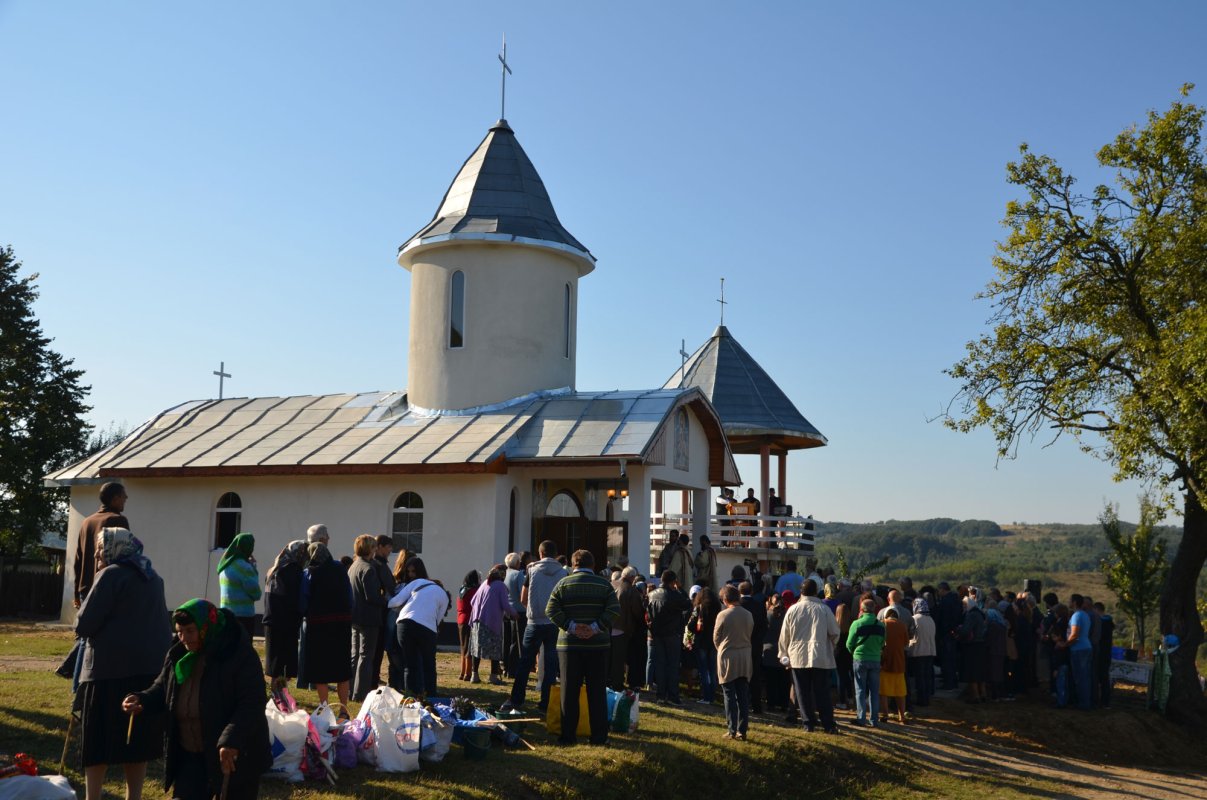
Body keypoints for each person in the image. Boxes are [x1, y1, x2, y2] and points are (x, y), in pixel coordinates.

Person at [124, 599, 270, 800]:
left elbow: (252, 703)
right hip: (190, 753)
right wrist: (143, 700)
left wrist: (231, 739)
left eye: (190, 631)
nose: (184, 638)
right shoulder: (178, 653)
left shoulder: (237, 652)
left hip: (234, 755)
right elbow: (163, 687)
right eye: (180, 631)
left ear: (205, 627)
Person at [75, 528, 171, 800]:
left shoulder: (110, 574)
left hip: (107, 671)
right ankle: (134, 797)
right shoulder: (153, 576)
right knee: (136, 742)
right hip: (147, 674)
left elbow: (84, 624)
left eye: (100, 547)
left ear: (113, 549)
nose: (96, 553)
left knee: (96, 742)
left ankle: (92, 796)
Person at [545, 549, 620, 746]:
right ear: (593, 565)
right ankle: (598, 737)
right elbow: (614, 609)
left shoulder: (563, 584)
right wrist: (595, 627)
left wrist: (571, 626)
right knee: (596, 691)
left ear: (572, 565)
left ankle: (567, 736)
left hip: (569, 645)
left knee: (569, 691)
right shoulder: (604, 585)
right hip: (598, 645)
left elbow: (550, 609)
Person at [501, 541, 567, 714]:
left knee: (525, 662)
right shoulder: (562, 572)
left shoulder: (531, 570)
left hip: (534, 622)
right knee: (551, 664)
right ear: (555, 553)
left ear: (540, 553)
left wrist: (532, 608)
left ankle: (516, 699)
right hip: (553, 623)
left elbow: (523, 598)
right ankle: (546, 703)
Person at [779, 578, 840, 734]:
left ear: (801, 591)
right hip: (820, 656)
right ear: (816, 592)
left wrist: (783, 655)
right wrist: (830, 646)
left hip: (797, 656)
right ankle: (828, 725)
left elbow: (784, 635)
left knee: (802, 691)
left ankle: (808, 723)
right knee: (822, 692)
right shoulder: (823, 609)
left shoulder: (793, 610)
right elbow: (835, 633)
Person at [301, 539, 353, 709]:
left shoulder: (310, 572)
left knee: (320, 668)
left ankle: (324, 707)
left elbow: (304, 599)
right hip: (342, 624)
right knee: (341, 668)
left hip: (319, 625)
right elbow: (349, 595)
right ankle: (344, 709)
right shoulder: (339, 568)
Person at [388, 557, 450, 698]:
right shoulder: (443, 595)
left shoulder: (417, 583)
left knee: (409, 665)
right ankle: (430, 697)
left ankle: (410, 697)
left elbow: (394, 602)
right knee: (429, 664)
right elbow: (438, 619)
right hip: (427, 628)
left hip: (404, 624)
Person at [74, 482, 130, 609]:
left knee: (86, 628)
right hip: (107, 589)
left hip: (85, 589)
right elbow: (126, 558)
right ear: (115, 499)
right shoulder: (118, 520)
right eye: (123, 496)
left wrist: (76, 593)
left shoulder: (86, 522)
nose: (126, 498)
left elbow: (78, 559)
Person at [348, 534, 387, 701]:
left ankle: (351, 690)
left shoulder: (354, 565)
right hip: (369, 618)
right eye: (374, 547)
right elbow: (372, 597)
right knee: (366, 656)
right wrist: (387, 600)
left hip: (355, 616)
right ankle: (360, 693)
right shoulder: (369, 569)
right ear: (369, 549)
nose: (376, 550)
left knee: (355, 655)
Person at [263, 540, 308, 683]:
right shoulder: (294, 571)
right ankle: (280, 695)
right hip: (286, 622)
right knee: (284, 664)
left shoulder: (274, 569)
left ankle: (277, 694)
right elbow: (296, 598)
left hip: (271, 620)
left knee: (275, 662)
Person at [647, 569, 692, 706]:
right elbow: (688, 604)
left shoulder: (651, 595)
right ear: (673, 582)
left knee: (660, 665)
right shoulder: (674, 595)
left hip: (657, 634)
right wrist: (680, 589)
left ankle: (661, 695)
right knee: (672, 666)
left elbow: (648, 612)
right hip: (672, 634)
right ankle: (672, 696)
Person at [714, 585, 754, 740]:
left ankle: (731, 729)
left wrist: (722, 648)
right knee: (743, 694)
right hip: (744, 655)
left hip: (728, 655)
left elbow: (716, 638)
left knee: (729, 694)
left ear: (725, 599)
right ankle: (742, 730)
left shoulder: (723, 615)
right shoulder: (748, 615)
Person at [469, 564, 514, 685]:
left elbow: (473, 601)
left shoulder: (485, 583)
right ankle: (493, 676)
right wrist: (514, 614)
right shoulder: (500, 585)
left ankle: (474, 675)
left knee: (476, 649)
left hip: (476, 621)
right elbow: (505, 604)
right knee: (495, 649)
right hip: (490, 622)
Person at [846, 597, 885, 728]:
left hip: (860, 658)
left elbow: (849, 643)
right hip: (875, 659)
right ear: (874, 609)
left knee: (860, 690)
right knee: (874, 691)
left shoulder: (856, 624)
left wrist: (854, 652)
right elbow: (882, 642)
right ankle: (874, 720)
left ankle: (861, 718)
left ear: (861, 609)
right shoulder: (881, 625)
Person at [217, 533, 260, 644]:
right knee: (242, 651)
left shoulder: (224, 566)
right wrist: (253, 568)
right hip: (243, 617)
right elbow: (256, 594)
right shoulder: (245, 568)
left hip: (226, 615)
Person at [611, 565, 646, 690]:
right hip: (623, 627)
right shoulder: (631, 590)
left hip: (608, 626)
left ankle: (609, 681)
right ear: (632, 578)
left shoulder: (612, 585)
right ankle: (617, 684)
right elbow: (637, 612)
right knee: (619, 659)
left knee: (611, 657)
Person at [737, 580, 769, 713]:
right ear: (751, 591)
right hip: (755, 644)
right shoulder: (759, 605)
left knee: (740, 675)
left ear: (739, 592)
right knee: (755, 675)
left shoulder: (737, 607)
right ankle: (756, 705)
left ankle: (742, 703)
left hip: (740, 644)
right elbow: (763, 625)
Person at [370, 535, 396, 690]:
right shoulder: (379, 565)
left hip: (375, 612)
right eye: (388, 547)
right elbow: (390, 587)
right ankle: (373, 680)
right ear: (379, 546)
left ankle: (372, 679)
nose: (390, 550)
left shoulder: (374, 564)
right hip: (380, 613)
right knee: (377, 650)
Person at [688, 586, 722, 704]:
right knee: (712, 670)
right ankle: (712, 696)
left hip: (701, 641)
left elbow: (691, 626)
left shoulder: (699, 608)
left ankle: (706, 696)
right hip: (713, 642)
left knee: (703, 670)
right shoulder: (717, 609)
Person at [1062, 594, 1093, 710]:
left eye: (1070, 600)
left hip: (1079, 649)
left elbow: (1074, 634)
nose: (1068, 602)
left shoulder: (1076, 615)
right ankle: (1085, 702)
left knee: (1080, 677)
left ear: (1074, 602)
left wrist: (1065, 645)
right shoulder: (1085, 615)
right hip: (1086, 647)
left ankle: (1083, 704)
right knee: (1085, 676)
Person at [880, 608, 908, 724]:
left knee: (884, 691)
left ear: (886, 616)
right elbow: (906, 642)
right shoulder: (902, 625)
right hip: (899, 662)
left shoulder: (883, 624)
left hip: (885, 661)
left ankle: (885, 714)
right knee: (900, 692)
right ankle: (902, 715)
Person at [961, 587, 989, 703]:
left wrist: (958, 632)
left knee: (972, 672)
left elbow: (966, 630)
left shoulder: (971, 614)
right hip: (981, 644)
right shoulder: (980, 613)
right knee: (980, 672)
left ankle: (975, 696)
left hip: (973, 645)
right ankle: (984, 694)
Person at [762, 592, 790, 711]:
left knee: (770, 681)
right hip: (784, 650)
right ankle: (784, 704)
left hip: (768, 650)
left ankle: (771, 703)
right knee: (784, 681)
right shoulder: (787, 615)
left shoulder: (767, 615)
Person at [908, 597, 936, 707]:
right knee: (927, 676)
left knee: (920, 677)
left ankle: (921, 700)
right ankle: (927, 698)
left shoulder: (914, 619)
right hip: (930, 651)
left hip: (918, 651)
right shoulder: (931, 619)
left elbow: (910, 633)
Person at [504, 552, 526, 679]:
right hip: (518, 611)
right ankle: (513, 670)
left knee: (507, 641)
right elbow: (522, 593)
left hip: (507, 611)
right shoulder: (518, 575)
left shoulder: (505, 573)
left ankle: (506, 667)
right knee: (517, 642)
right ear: (517, 563)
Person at [457, 570, 481, 682]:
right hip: (470, 620)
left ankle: (462, 672)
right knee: (469, 648)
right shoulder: (473, 591)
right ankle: (468, 673)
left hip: (461, 620)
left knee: (463, 647)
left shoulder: (462, 590)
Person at [1094, 601, 1114, 707]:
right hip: (1106, 653)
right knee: (1104, 678)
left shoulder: (1103, 622)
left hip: (1102, 653)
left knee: (1102, 678)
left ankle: (1103, 701)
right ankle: (1104, 701)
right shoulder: (1108, 621)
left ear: (1096, 610)